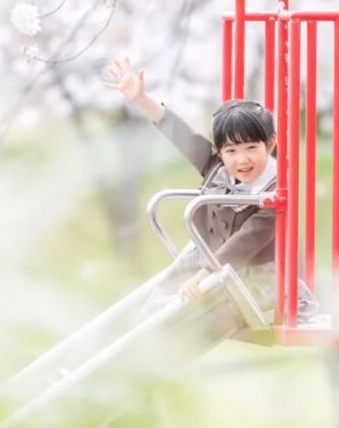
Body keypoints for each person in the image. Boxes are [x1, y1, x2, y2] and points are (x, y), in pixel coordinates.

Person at [105, 57, 316, 320]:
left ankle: (171, 347)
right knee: (158, 302)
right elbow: (181, 135)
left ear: (270, 144)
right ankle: (137, 354)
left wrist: (204, 276)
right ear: (220, 150)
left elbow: (246, 241)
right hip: (208, 256)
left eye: (252, 148)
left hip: (252, 273)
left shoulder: (276, 190)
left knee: (203, 314)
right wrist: (141, 99)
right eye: (232, 150)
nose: (242, 159)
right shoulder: (215, 164)